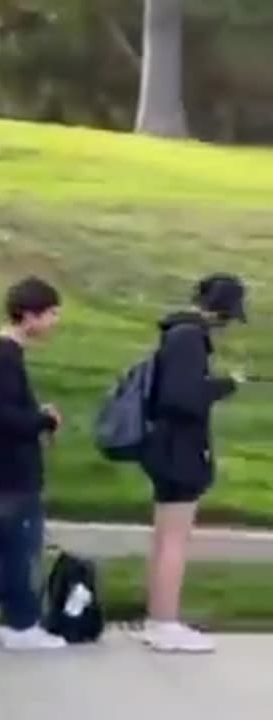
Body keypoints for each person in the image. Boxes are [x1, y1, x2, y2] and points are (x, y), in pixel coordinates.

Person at [0, 276, 66, 651]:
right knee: (21, 546)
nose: (54, 323)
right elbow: (0, 415)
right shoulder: (1, 357)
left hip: (0, 466)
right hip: (11, 469)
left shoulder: (3, 355)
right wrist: (43, 420)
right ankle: (22, 623)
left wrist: (35, 414)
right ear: (29, 315)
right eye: (51, 314)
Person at [138, 274, 246, 653]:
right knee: (174, 540)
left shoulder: (176, 332)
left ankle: (157, 617)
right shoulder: (190, 338)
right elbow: (180, 398)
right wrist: (224, 385)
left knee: (165, 537)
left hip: (165, 446)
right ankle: (164, 623)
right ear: (222, 310)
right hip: (180, 448)